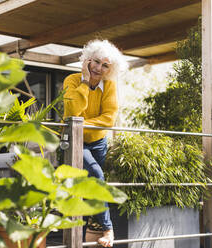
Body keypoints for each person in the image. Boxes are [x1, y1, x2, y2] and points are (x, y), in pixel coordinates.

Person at [63, 39, 126, 247]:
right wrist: (84, 82)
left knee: (84, 192)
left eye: (105, 65)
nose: (99, 68)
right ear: (87, 61)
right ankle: (108, 230)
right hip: (76, 142)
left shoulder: (109, 86)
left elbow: (108, 119)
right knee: (96, 177)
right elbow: (73, 112)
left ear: (110, 69)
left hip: (99, 144)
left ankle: (78, 242)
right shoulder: (71, 81)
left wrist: (80, 124)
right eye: (96, 62)